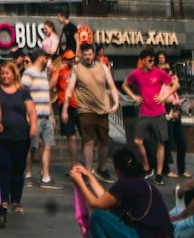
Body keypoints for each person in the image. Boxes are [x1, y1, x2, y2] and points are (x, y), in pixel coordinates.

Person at [69, 147, 174, 238]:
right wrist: (89, 176)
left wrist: (79, 181)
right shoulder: (140, 182)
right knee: (114, 215)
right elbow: (106, 198)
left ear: (118, 169)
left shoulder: (125, 184)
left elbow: (96, 204)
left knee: (98, 218)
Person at [64, 40, 120, 175]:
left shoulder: (103, 67)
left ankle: (102, 168)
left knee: (104, 142)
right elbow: (69, 90)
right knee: (88, 142)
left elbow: (112, 86)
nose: (88, 57)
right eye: (85, 55)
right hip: (86, 110)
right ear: (81, 55)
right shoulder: (76, 69)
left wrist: (116, 103)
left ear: (94, 54)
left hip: (103, 110)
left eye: (90, 54)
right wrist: (65, 109)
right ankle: (88, 172)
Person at [122, 48, 174, 184]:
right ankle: (146, 167)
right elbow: (124, 85)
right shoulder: (136, 74)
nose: (152, 63)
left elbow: (175, 84)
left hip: (159, 112)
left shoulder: (159, 72)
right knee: (137, 141)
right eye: (150, 60)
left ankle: (159, 173)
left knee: (160, 143)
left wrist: (164, 96)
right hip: (144, 113)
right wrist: (134, 96)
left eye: (153, 60)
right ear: (143, 61)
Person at [0, 60, 37, 211]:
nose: (5, 76)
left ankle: (16, 201)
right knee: (4, 167)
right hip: (2, 137)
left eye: (7, 73)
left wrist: (33, 126)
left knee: (18, 168)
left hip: (21, 136)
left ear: (14, 74)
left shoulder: (23, 91)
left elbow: (31, 111)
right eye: (2, 73)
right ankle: (4, 198)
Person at [22, 49, 57, 187]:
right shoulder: (29, 72)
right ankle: (28, 175)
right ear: (40, 58)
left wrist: (52, 115)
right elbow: (23, 94)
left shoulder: (43, 74)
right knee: (31, 147)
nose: (48, 59)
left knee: (48, 145)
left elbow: (47, 96)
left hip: (46, 115)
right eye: (46, 57)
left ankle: (46, 177)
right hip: (34, 116)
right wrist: (27, 115)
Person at [156, 51, 187, 178]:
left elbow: (176, 92)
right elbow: (166, 100)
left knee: (182, 143)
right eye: (171, 76)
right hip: (167, 118)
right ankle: (165, 169)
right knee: (167, 144)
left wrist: (178, 103)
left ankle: (181, 169)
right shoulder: (163, 88)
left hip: (176, 117)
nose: (173, 78)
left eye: (173, 76)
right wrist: (174, 102)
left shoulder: (173, 89)